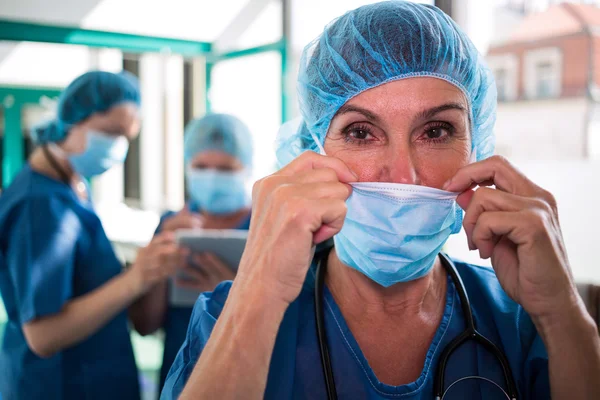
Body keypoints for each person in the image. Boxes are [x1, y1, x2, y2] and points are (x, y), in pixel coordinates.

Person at [161, 2, 600, 400]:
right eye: (360, 133)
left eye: (436, 132)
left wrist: (563, 314)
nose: (403, 175)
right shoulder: (231, 316)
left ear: (477, 149)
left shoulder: (523, 322)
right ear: (312, 151)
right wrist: (260, 292)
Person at [0, 71, 187, 400]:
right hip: (57, 386)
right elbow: (42, 335)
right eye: (111, 132)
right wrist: (135, 279)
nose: (118, 146)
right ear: (74, 119)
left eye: (127, 136)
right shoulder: (38, 204)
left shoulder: (74, 186)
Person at [138, 113, 253, 392]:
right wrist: (157, 260)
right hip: (180, 375)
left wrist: (232, 294)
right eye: (201, 166)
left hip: (244, 374)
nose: (212, 177)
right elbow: (144, 324)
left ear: (247, 168)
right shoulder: (171, 225)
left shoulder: (266, 226)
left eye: (225, 169)